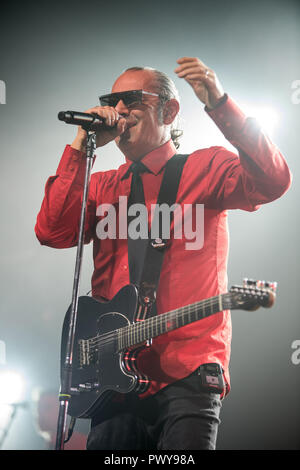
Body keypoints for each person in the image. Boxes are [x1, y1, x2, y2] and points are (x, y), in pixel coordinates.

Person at [35, 57, 291, 450]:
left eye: (132, 99)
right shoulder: (101, 185)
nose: (119, 110)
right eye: (111, 100)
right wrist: (80, 146)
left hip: (188, 372)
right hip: (111, 379)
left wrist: (220, 103)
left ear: (169, 110)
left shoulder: (206, 168)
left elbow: (272, 181)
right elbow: (52, 232)